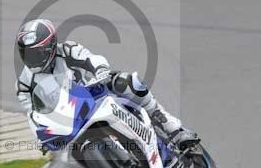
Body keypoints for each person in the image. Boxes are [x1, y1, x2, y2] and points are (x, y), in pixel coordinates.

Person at [15, 18, 197, 155]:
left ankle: (172, 128)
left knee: (127, 82)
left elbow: (91, 58)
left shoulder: (68, 50)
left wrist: (101, 70)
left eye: (37, 53)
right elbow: (32, 114)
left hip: (92, 94)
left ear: (51, 46)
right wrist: (40, 136)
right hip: (68, 119)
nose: (32, 59)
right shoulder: (24, 82)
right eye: (27, 54)